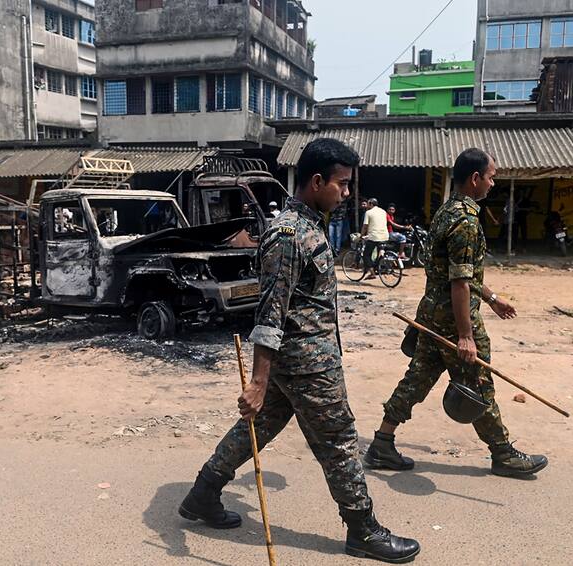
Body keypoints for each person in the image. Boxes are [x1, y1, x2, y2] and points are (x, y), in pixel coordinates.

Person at [178, 138, 420, 564]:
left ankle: (202, 495)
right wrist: (257, 381)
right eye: (342, 184)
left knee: (257, 429)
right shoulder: (290, 235)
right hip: (307, 366)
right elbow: (270, 313)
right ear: (316, 181)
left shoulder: (309, 225)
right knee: (340, 440)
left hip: (298, 361)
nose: (347, 193)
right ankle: (363, 529)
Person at [363, 148, 548, 478]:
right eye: (491, 177)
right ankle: (503, 454)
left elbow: (465, 275)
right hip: (454, 321)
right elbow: (460, 283)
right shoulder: (466, 222)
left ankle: (381, 443)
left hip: (432, 317)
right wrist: (465, 335)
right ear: (475, 179)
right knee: (478, 384)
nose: (493, 184)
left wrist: (491, 298)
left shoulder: (446, 211)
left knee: (417, 379)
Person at [361, 198, 389, 279]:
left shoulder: (368, 212)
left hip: (374, 236)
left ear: (371, 204)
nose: (367, 206)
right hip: (385, 235)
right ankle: (379, 263)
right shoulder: (383, 211)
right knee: (379, 251)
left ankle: (372, 273)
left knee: (366, 254)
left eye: (368, 204)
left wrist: (361, 235)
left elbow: (365, 226)